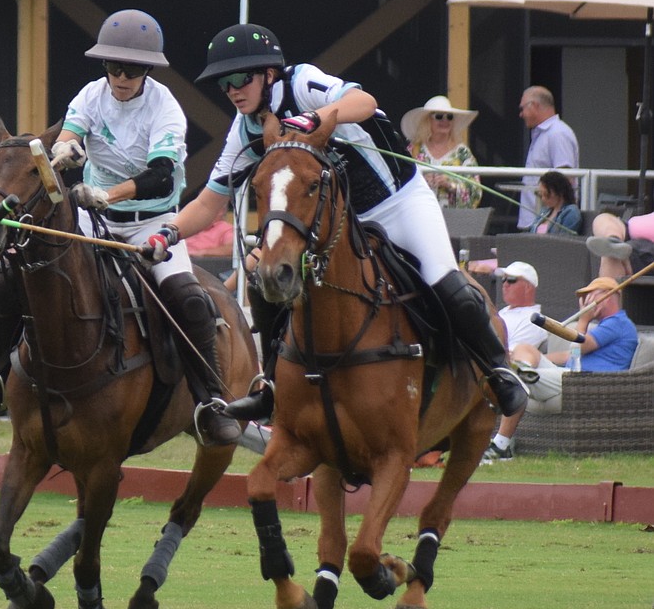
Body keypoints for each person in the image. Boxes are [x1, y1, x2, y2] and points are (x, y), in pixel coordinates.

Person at [161, 22, 527, 423]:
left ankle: (499, 371)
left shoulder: (302, 82)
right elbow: (209, 203)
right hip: (339, 222)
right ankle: (271, 386)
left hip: (398, 202)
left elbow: (364, 102)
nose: (231, 89)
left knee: (443, 277)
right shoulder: (246, 129)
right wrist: (169, 233)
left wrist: (312, 119)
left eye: (238, 78)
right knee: (263, 278)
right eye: (223, 83)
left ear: (268, 74)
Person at [0, 9, 242, 446]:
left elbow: (162, 173)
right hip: (91, 218)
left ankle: (210, 399)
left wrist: (110, 194)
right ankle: (0, 371)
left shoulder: (165, 108)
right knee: (7, 281)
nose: (121, 77)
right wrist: (67, 151)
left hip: (153, 221)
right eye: (113, 67)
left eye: (132, 69)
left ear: (147, 70)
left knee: (189, 298)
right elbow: (68, 134)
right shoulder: (91, 95)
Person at [482, 276, 637, 462]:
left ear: (607, 297)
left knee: (514, 381)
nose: (584, 302)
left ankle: (501, 446)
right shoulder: (607, 325)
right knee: (524, 348)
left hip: (584, 383)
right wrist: (537, 359)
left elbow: (580, 346)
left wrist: (583, 319)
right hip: (571, 375)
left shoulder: (617, 323)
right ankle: (525, 370)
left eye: (589, 296)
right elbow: (571, 355)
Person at [400, 95, 482, 209]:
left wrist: (450, 184)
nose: (445, 121)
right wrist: (421, 181)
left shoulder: (462, 153)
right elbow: (401, 182)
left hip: (453, 219)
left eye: (449, 117)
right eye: (439, 116)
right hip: (420, 213)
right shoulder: (414, 149)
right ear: (427, 121)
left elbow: (475, 191)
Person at [518, 86, 579, 231]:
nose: (521, 114)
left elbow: (565, 179)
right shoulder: (545, 134)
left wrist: (552, 218)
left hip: (547, 225)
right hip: (537, 222)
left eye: (522, 109)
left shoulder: (557, 134)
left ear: (535, 105)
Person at [492, 262, 549, 350]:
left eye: (511, 279)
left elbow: (511, 357)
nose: (505, 284)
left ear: (528, 287)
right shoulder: (505, 311)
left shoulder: (533, 321)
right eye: (504, 279)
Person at [586, 210, 654, 279]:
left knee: (613, 255)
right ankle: (613, 240)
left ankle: (606, 285)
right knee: (603, 218)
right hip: (630, 232)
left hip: (646, 249)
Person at [528, 170, 582, 235]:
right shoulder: (544, 211)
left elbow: (565, 239)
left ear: (560, 192)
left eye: (547, 195)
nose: (543, 199)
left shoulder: (571, 212)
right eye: (540, 195)